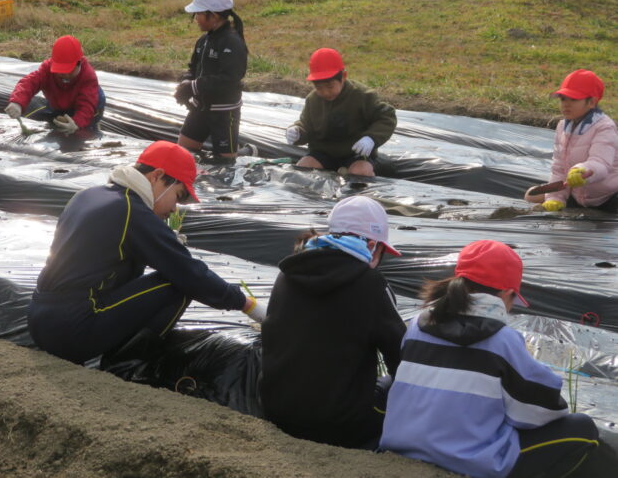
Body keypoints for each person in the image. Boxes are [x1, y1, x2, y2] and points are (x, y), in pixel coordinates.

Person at [380, 240, 614, 478]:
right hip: (465, 462)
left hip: (401, 448)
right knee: (581, 427)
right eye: (513, 299)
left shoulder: (417, 326)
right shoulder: (503, 340)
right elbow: (541, 412)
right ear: (506, 294)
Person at [28, 140, 264, 365]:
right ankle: (127, 365)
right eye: (178, 196)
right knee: (179, 284)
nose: (173, 208)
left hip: (39, 318)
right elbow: (190, 273)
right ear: (157, 176)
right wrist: (246, 304)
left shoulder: (89, 194)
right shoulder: (131, 210)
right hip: (73, 329)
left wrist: (161, 240)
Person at [259, 195, 406, 449]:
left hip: (275, 411)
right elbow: (402, 359)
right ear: (372, 245)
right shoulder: (370, 284)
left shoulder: (287, 273)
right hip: (339, 427)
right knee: (397, 383)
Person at [286, 48, 396, 177]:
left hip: (356, 153)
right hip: (323, 153)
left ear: (343, 77)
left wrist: (371, 138)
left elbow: (386, 117)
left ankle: (359, 196)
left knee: (360, 172)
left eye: (330, 87)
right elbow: (306, 125)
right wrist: (298, 132)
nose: (325, 92)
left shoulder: (362, 96)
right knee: (303, 168)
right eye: (319, 88)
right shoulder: (313, 100)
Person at [175, 0, 252, 160]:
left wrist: (193, 86)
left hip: (224, 112)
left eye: (198, 14)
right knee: (184, 153)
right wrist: (185, 84)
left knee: (225, 162)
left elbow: (230, 78)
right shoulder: (203, 40)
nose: (196, 18)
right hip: (200, 108)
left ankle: (246, 152)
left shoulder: (232, 42)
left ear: (214, 15)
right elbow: (193, 68)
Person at [524, 69, 617, 213]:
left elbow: (601, 164)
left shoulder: (604, 127)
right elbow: (559, 167)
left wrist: (583, 171)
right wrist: (555, 198)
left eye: (573, 99)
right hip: (579, 194)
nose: (566, 104)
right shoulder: (562, 126)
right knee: (531, 194)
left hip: (608, 195)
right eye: (563, 99)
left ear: (591, 102)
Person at [5, 35, 105, 134]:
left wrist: (77, 123)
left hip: (89, 104)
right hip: (58, 102)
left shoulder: (88, 76)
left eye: (69, 70)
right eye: (61, 71)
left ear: (79, 63)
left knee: (82, 132)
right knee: (56, 127)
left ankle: (93, 126)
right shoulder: (47, 70)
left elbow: (86, 106)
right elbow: (30, 83)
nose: (65, 75)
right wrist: (17, 102)